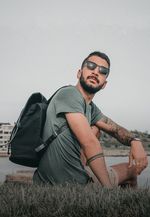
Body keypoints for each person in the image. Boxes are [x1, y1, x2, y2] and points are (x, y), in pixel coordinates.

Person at [33, 51, 148, 188]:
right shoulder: (69, 94)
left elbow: (115, 129)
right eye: (91, 66)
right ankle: (120, 202)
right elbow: (89, 142)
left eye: (102, 71)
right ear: (79, 73)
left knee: (97, 128)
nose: (95, 72)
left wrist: (135, 141)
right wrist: (108, 189)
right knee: (131, 171)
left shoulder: (91, 108)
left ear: (104, 84)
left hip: (73, 176)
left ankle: (122, 202)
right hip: (71, 184)